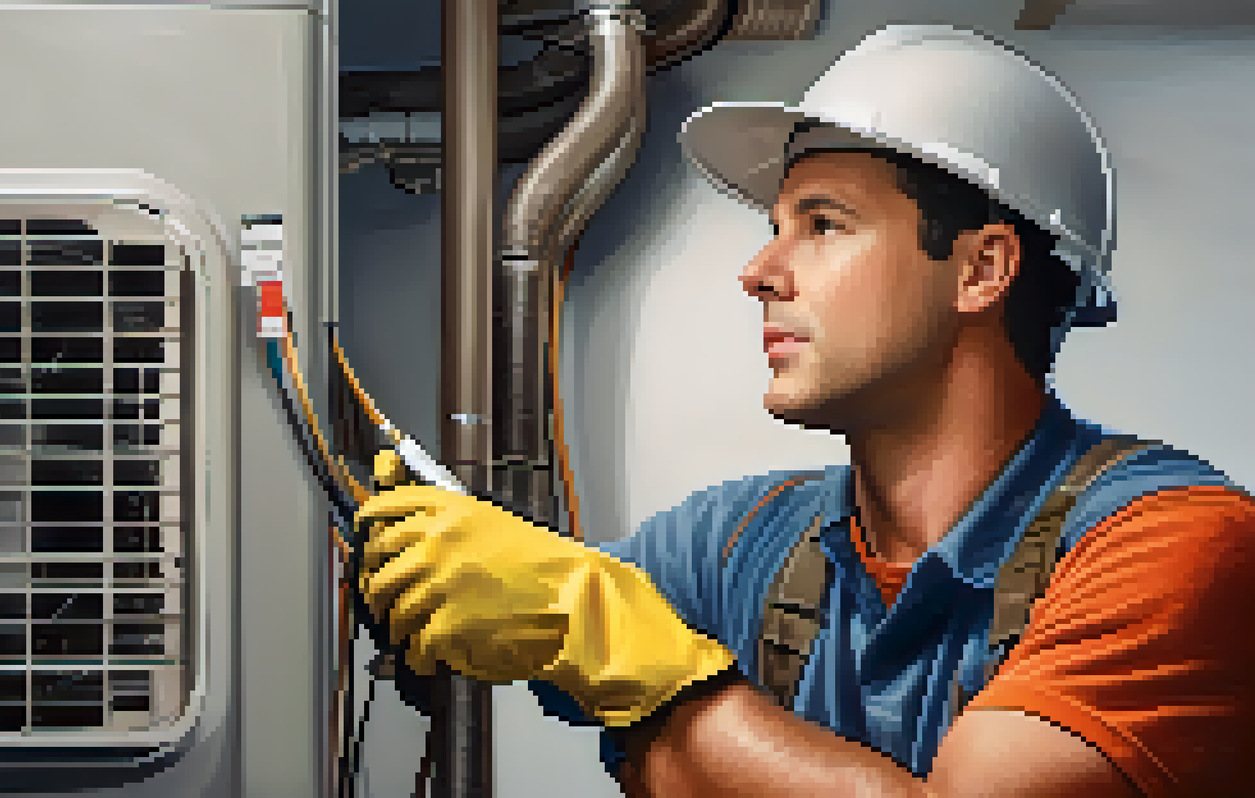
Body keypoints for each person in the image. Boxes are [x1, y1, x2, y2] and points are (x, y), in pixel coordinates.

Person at [355, 24, 1255, 797]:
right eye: (774, 226)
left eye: (822, 225)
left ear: (981, 269)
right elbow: (556, 617)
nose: (759, 273)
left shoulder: (1180, 550)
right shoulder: (736, 544)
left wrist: (655, 685)